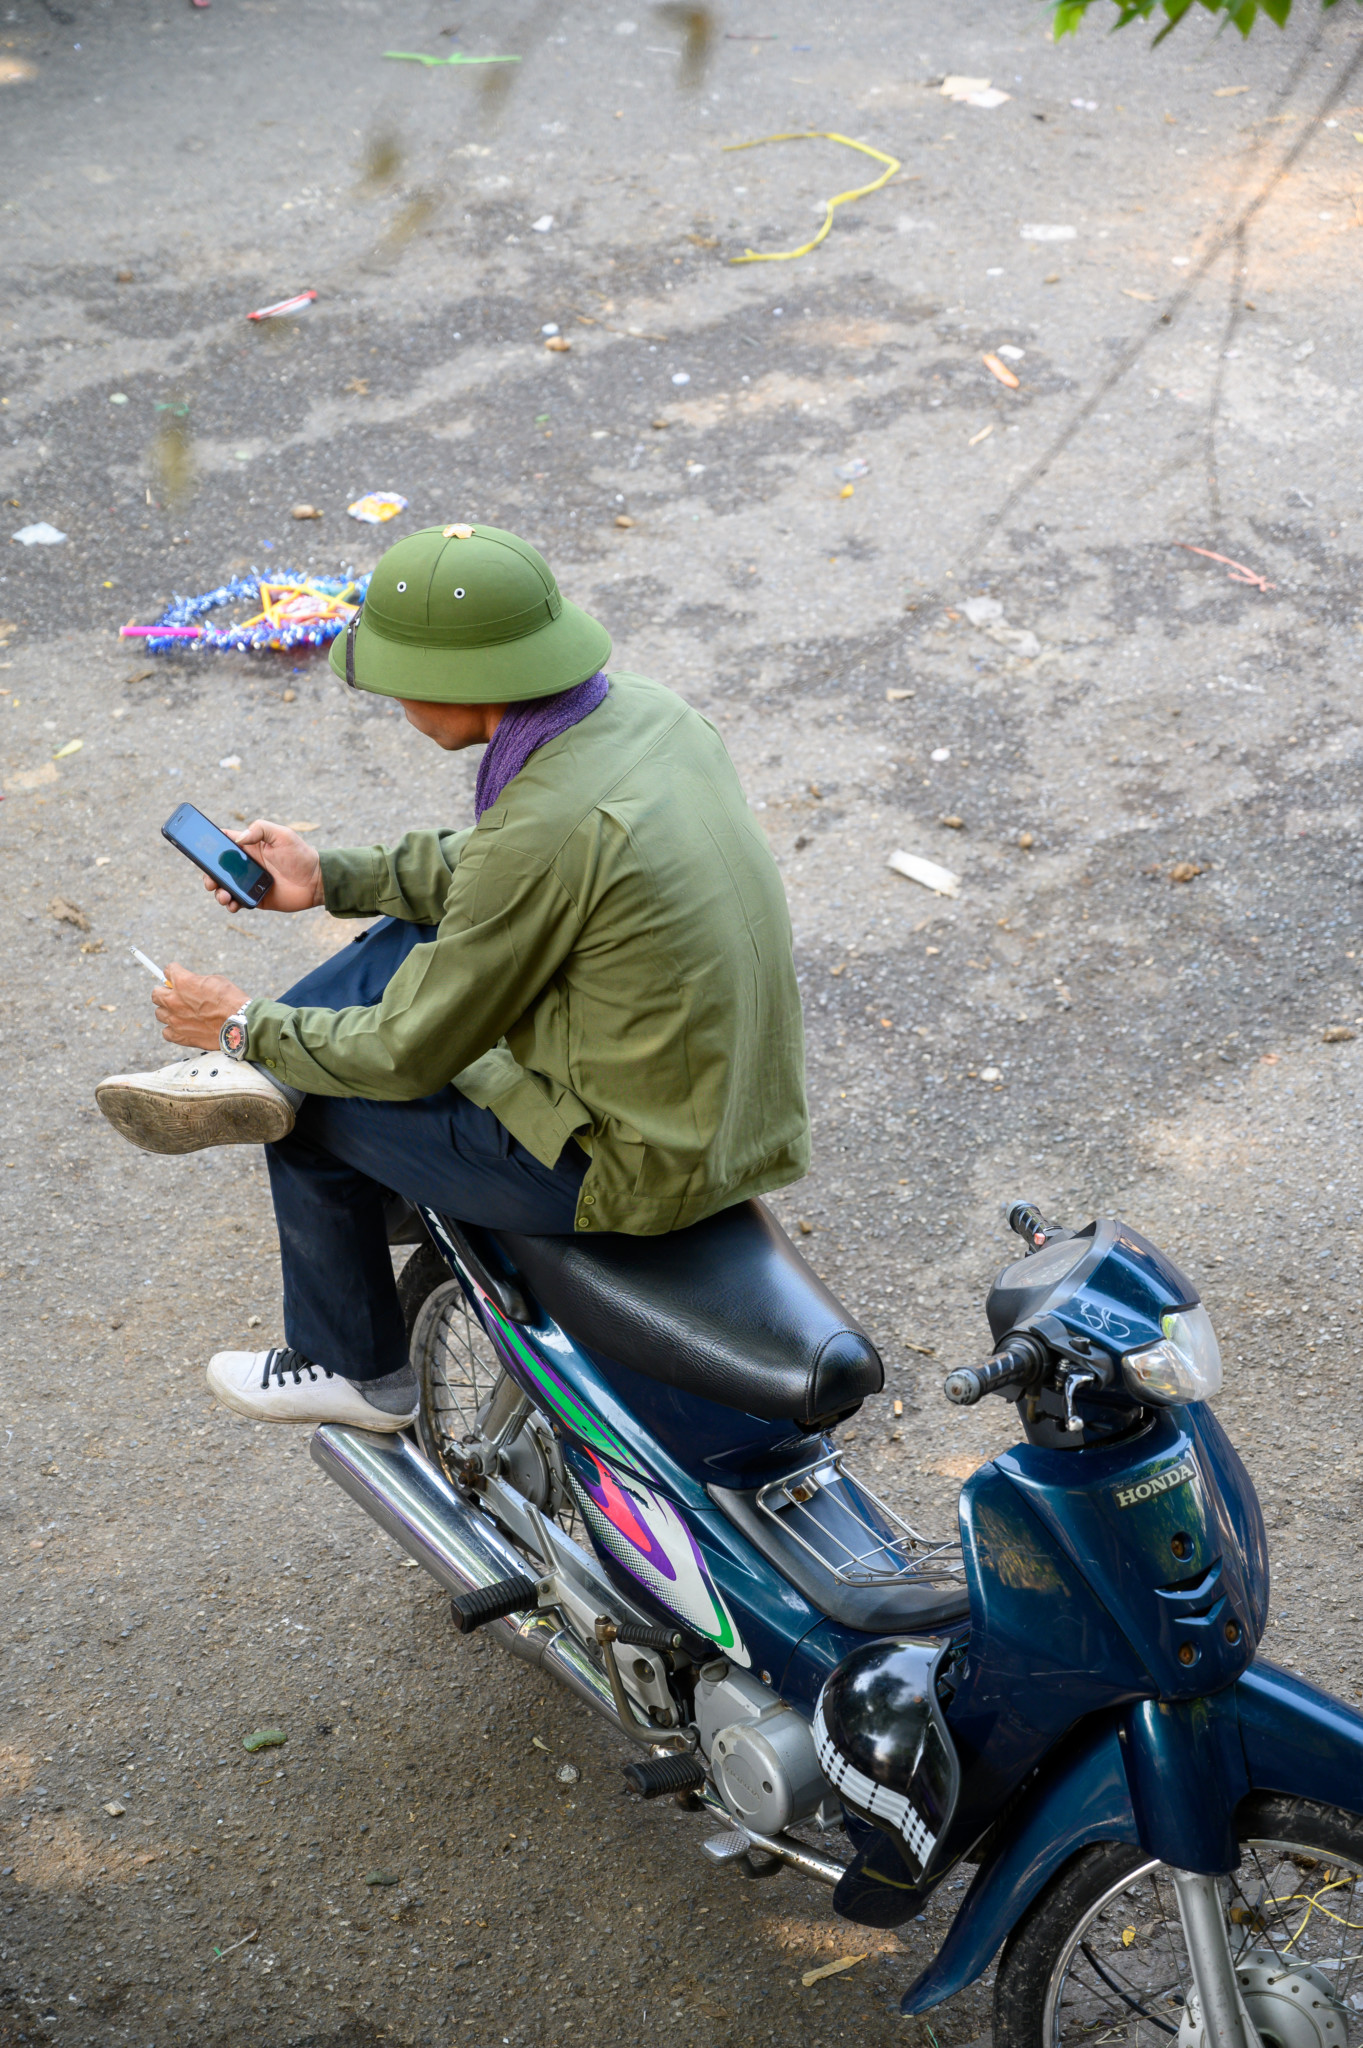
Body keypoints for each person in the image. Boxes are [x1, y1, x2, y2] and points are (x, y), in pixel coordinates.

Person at [96, 522, 810, 1430]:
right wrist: (329, 876)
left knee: (310, 1107)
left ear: (456, 685)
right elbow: (499, 870)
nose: (392, 700)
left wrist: (241, 1023)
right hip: (728, 1098)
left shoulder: (549, 828)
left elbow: (406, 1051)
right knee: (398, 947)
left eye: (397, 682)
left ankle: (353, 1367)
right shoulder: (641, 717)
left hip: (633, 1166)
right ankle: (321, 1120)